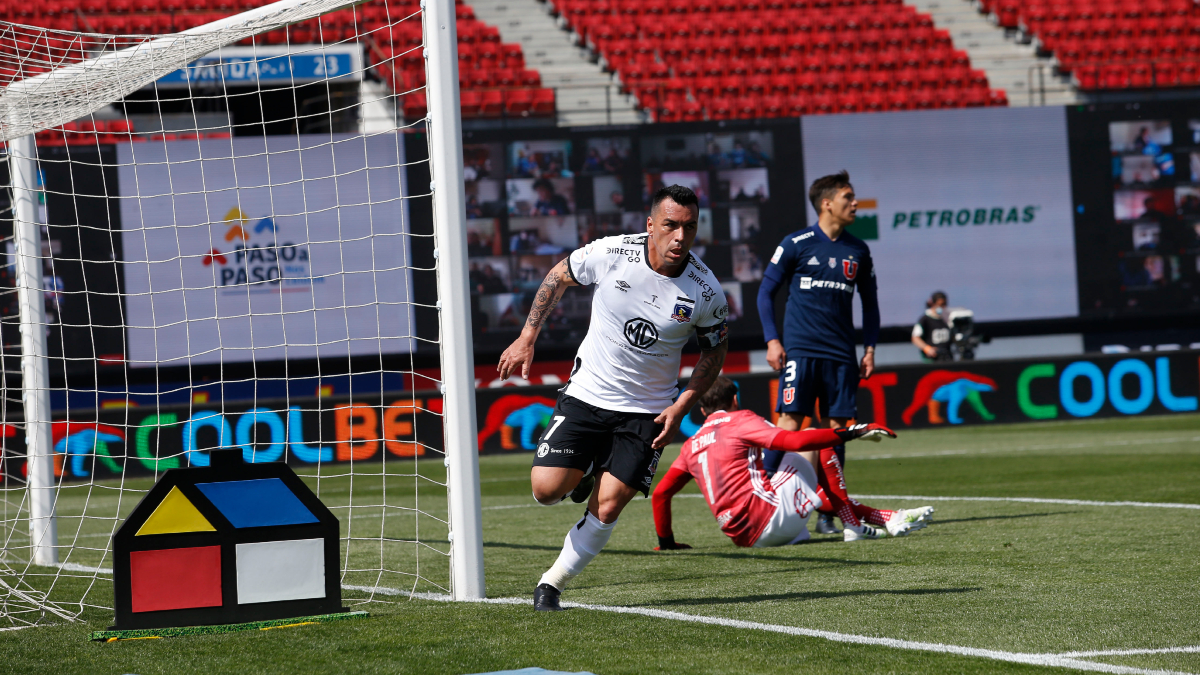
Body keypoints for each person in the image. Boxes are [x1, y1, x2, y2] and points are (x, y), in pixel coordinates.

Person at [497, 185, 730, 612]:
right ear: (650, 225)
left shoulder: (706, 290)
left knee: (608, 505)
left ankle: (551, 585)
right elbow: (557, 276)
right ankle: (585, 467)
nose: (680, 236)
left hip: (647, 411)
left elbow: (714, 351)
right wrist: (527, 336)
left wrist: (681, 404)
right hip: (588, 394)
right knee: (546, 491)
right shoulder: (612, 252)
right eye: (671, 225)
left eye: (690, 227)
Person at [652, 378, 933, 548]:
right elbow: (796, 442)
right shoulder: (740, 419)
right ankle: (854, 525)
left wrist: (667, 543)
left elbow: (661, 494)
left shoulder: (691, 445)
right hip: (772, 519)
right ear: (735, 399)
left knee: (796, 487)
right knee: (812, 436)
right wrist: (854, 432)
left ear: (702, 410)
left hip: (745, 538)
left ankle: (887, 518)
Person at [756, 170, 880, 535]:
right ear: (827, 203)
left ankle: (831, 513)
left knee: (839, 431)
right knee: (789, 423)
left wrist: (869, 348)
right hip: (801, 351)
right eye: (848, 197)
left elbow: (870, 306)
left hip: (842, 355)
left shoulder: (859, 250)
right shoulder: (796, 243)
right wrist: (772, 340)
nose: (855, 203)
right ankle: (761, 497)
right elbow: (765, 293)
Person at [912, 291, 952, 362]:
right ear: (933, 303)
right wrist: (927, 349)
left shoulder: (948, 318)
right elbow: (915, 338)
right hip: (932, 359)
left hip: (947, 357)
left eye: (944, 304)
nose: (942, 307)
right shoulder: (925, 319)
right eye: (940, 304)